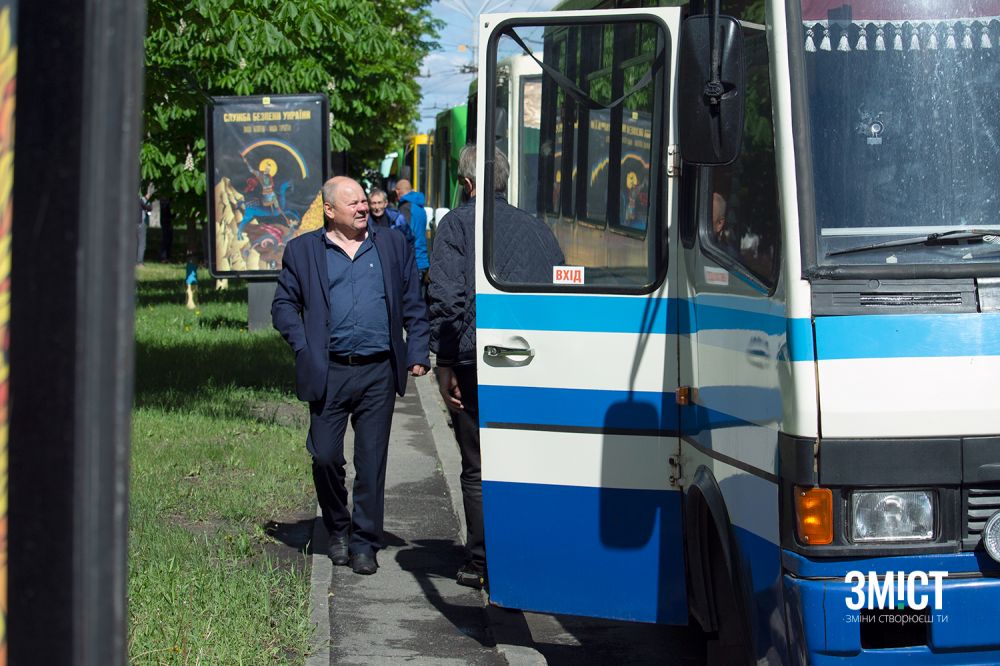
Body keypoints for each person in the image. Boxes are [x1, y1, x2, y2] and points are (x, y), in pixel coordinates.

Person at [272, 176, 430, 575]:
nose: (363, 208)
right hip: (330, 370)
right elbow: (283, 305)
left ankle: (364, 542)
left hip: (377, 369)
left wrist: (417, 350)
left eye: (364, 200)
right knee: (325, 456)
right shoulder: (304, 251)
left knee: (372, 461)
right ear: (329, 210)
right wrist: (303, 345)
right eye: (353, 203)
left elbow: (413, 300)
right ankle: (337, 527)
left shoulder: (392, 245)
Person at [427, 145, 564, 589]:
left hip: (475, 362)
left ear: (466, 185)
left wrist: (443, 361)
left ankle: (482, 562)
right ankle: (533, 556)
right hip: (536, 361)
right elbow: (560, 289)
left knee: (477, 464)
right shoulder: (538, 229)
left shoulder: (455, 225)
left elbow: (446, 299)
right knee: (530, 458)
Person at [394, 179, 430, 287]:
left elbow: (403, 234)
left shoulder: (405, 207)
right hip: (422, 259)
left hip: (413, 261)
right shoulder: (419, 207)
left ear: (397, 192)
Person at [138, 182, 154, 265]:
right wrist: (147, 198)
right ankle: (139, 262)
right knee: (141, 243)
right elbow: (149, 208)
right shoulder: (141, 200)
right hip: (140, 223)